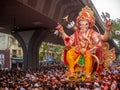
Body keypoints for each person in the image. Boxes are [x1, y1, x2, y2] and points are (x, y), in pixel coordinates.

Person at [56, 6, 112, 80]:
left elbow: (104, 38)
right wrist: (62, 32)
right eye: (81, 24)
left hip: (89, 52)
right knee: (69, 52)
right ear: (79, 25)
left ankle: (88, 74)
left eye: (86, 24)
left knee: (88, 55)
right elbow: (68, 41)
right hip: (78, 51)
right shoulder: (76, 33)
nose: (83, 26)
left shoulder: (92, 33)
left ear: (89, 25)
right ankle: (72, 71)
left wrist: (107, 30)